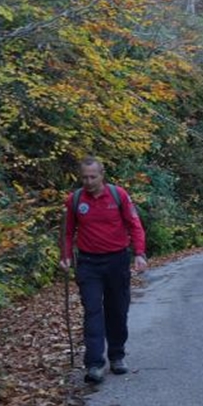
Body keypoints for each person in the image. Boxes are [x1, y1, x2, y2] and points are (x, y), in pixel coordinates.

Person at [60, 156, 148, 384]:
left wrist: (139, 253)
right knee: (92, 311)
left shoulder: (119, 195)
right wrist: (66, 256)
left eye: (93, 176)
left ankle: (117, 355)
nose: (88, 181)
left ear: (102, 175)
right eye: (84, 177)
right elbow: (68, 232)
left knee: (117, 310)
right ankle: (94, 364)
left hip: (117, 261)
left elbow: (134, 224)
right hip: (88, 263)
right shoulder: (75, 199)